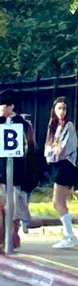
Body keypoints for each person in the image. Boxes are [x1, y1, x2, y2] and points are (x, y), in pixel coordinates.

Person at [44, 96, 78, 249]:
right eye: (59, 108)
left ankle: (70, 235)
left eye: (64, 108)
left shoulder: (69, 126)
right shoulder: (53, 127)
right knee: (59, 202)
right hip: (57, 166)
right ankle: (68, 235)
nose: (62, 111)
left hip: (65, 166)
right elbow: (48, 149)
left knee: (58, 201)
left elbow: (64, 149)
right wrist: (52, 152)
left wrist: (53, 152)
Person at [0, 89, 35, 248]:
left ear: (11, 106)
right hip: (2, 170)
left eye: (3, 105)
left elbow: (30, 146)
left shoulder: (21, 123)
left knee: (14, 206)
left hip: (15, 172)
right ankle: (3, 237)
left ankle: (13, 236)